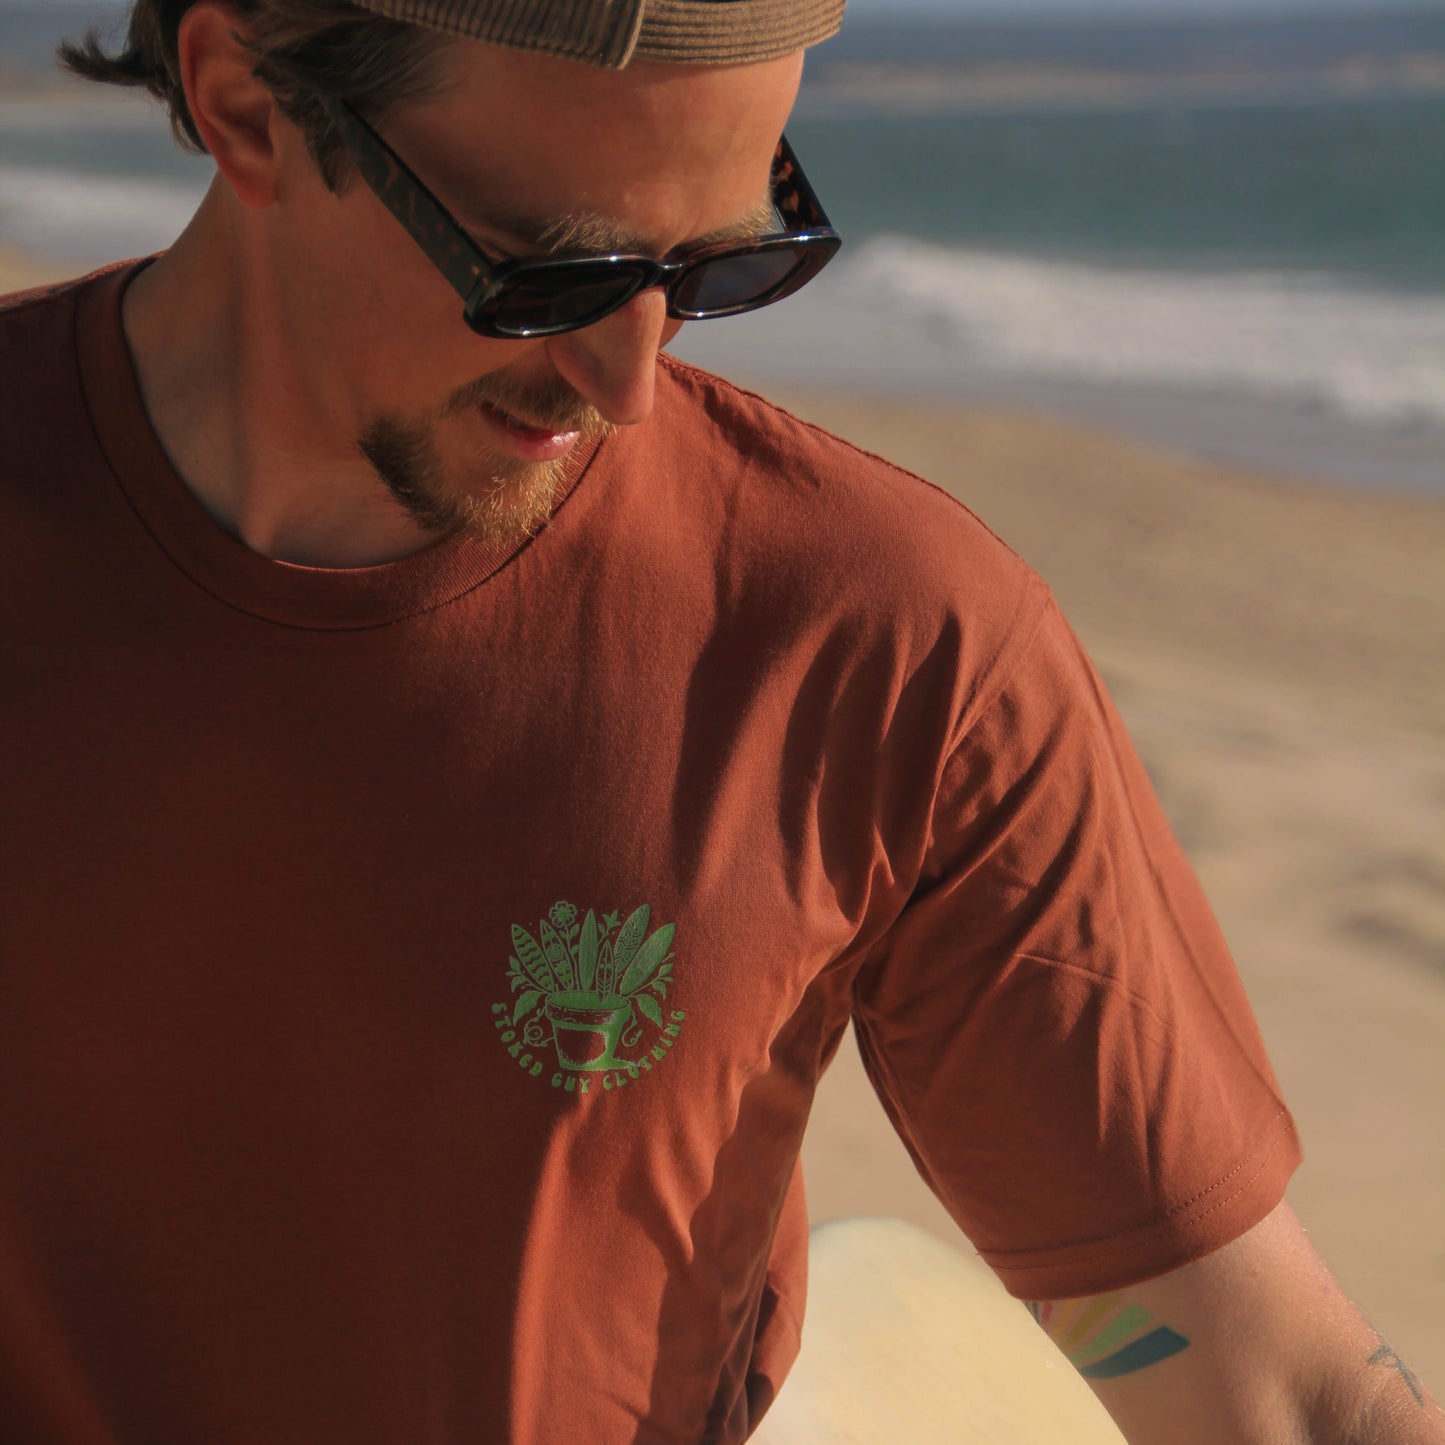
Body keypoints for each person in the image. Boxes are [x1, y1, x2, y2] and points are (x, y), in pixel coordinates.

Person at [0, 1, 1438, 1441]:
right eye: (553, 272)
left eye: (723, 265)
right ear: (247, 102)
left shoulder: (882, 645)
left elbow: (1259, 1378)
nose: (630, 385)